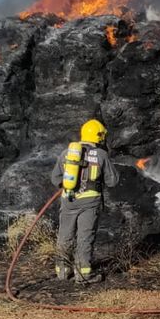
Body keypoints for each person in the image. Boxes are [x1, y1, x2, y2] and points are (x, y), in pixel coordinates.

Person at [55, 119, 118, 283]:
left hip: (68, 200)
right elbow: (113, 181)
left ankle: (62, 271)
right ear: (99, 136)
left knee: (65, 235)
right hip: (89, 203)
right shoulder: (101, 155)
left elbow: (55, 178)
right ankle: (83, 274)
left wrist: (70, 185)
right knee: (85, 237)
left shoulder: (66, 153)